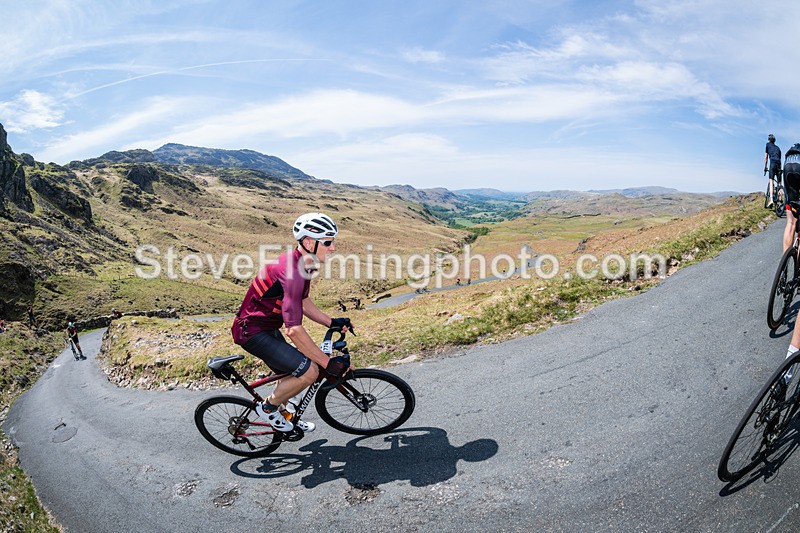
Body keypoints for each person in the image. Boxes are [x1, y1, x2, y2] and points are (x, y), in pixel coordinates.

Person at [231, 212, 352, 433]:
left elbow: (303, 301)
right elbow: (294, 330)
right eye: (328, 242)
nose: (333, 247)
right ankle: (268, 408)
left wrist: (330, 321)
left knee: (292, 371)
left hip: (265, 328)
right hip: (253, 332)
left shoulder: (302, 263)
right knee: (309, 371)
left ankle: (285, 416)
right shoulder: (293, 271)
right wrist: (327, 363)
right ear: (308, 242)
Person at [765, 134, 782, 208]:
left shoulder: (767, 145)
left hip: (772, 164)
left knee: (771, 181)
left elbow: (766, 157)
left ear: (769, 140)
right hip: (779, 164)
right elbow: (780, 159)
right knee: (779, 183)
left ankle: (771, 199)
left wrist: (765, 167)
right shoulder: (778, 148)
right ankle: (781, 201)